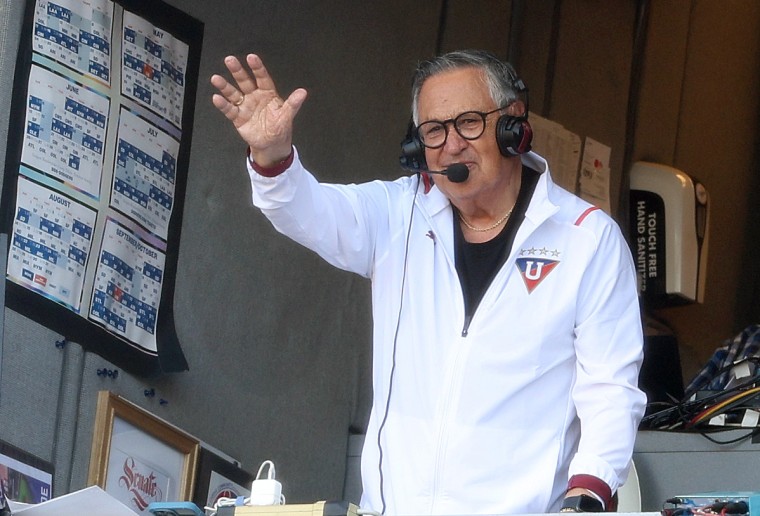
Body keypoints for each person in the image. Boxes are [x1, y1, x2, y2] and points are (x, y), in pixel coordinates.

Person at [211, 49, 646, 515]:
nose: (452, 144)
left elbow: (610, 389)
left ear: (514, 125)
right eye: (434, 131)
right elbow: (306, 210)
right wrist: (272, 154)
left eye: (470, 123)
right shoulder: (397, 215)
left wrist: (590, 490)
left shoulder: (588, 240)